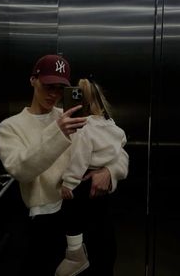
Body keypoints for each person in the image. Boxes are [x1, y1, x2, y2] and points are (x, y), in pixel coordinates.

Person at [0, 54, 129, 276]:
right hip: (48, 223)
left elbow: (113, 147)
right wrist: (58, 132)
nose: (54, 94)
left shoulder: (75, 115)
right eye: (48, 86)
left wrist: (110, 170)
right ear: (33, 80)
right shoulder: (11, 127)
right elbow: (21, 169)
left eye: (60, 88)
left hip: (91, 212)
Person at [55, 78, 128, 276]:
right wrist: (107, 164)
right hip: (99, 196)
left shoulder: (84, 128)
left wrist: (69, 183)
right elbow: (121, 146)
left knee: (72, 214)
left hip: (83, 182)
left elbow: (80, 157)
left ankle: (75, 255)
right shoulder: (111, 125)